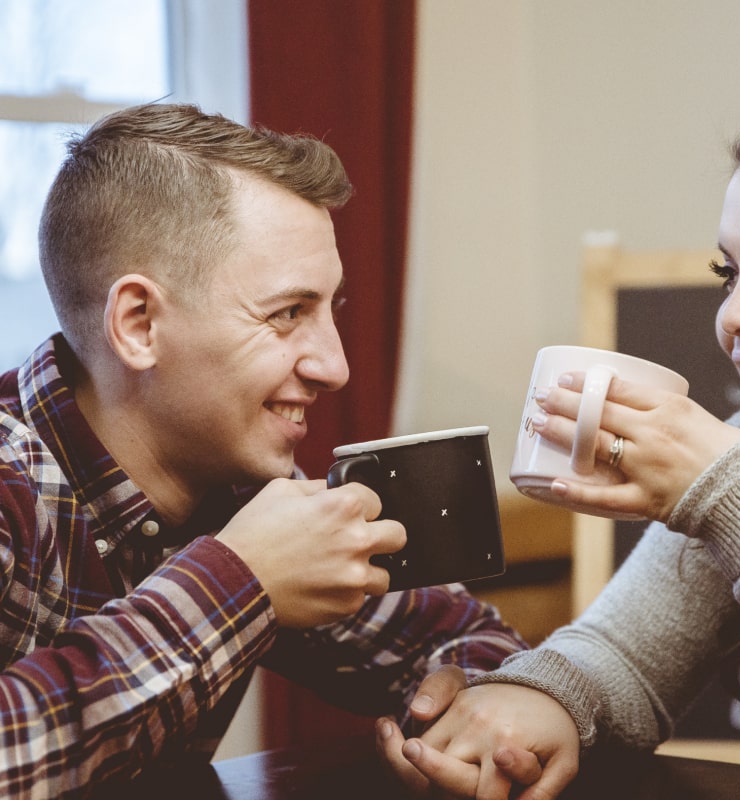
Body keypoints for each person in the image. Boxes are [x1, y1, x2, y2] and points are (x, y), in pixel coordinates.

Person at [377, 85, 740, 800]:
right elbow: (626, 655)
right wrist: (543, 699)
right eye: (729, 274)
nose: (732, 316)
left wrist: (731, 489)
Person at [0, 102, 529, 798]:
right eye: (287, 313)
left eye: (329, 312)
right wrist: (240, 580)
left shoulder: (233, 482)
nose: (334, 367)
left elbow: (470, 642)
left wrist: (469, 722)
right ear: (138, 323)